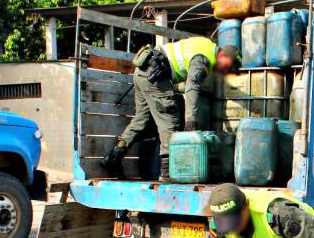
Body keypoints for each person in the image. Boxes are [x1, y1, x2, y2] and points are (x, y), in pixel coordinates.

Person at [101, 37, 238, 181]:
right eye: (229, 65)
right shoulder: (204, 59)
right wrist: (191, 118)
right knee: (170, 121)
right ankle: (166, 173)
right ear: (223, 56)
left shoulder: (205, 44)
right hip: (155, 74)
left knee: (141, 120)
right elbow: (192, 86)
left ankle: (113, 158)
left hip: (143, 71)